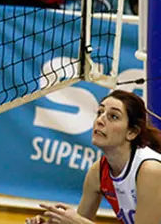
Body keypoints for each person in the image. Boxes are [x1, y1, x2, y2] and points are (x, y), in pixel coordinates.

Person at [25, 90, 161, 224]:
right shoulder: (98, 171)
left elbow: (79, 222)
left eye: (113, 116)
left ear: (132, 132)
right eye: (100, 112)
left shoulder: (150, 170)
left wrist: (78, 222)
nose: (100, 120)